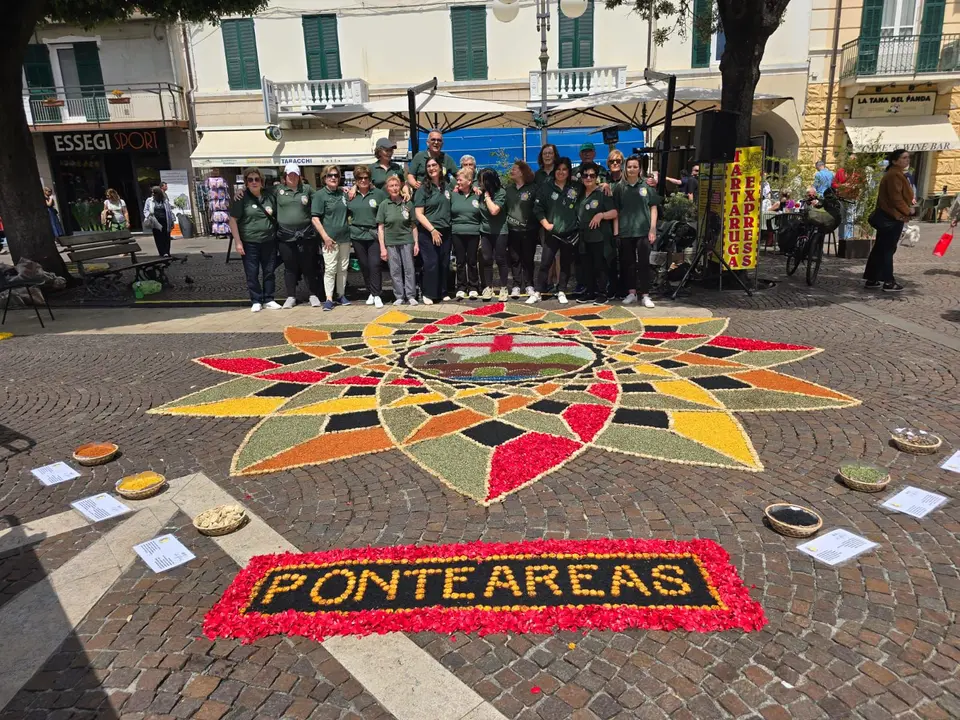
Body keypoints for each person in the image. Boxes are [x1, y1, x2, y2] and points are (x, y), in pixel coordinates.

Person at [229, 167, 279, 311]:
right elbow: (232, 220)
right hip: (249, 242)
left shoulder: (269, 196)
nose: (254, 182)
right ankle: (256, 300)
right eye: (250, 180)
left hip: (269, 240)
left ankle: (269, 298)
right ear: (246, 182)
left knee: (269, 271)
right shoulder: (241, 198)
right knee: (252, 272)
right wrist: (238, 242)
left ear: (262, 181)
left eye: (257, 179)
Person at [531, 157, 579, 305]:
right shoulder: (546, 187)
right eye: (558, 169)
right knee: (545, 263)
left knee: (565, 264)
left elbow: (591, 189)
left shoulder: (576, 187)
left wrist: (604, 185)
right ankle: (538, 292)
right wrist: (546, 224)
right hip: (552, 233)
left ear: (569, 171)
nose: (561, 172)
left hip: (570, 233)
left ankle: (562, 290)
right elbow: (537, 208)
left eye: (564, 169)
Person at [864, 148, 912, 292]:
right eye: (904, 158)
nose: (907, 160)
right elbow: (895, 198)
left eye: (908, 157)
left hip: (889, 216)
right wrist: (908, 211)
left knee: (880, 248)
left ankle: (872, 278)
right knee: (887, 249)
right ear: (895, 161)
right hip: (892, 217)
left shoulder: (895, 174)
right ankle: (888, 281)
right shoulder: (894, 175)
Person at [615, 155, 659, 308]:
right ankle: (632, 293)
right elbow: (616, 210)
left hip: (643, 231)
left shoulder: (647, 186)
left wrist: (652, 228)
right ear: (625, 168)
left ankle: (645, 295)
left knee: (644, 263)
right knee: (628, 264)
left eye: (635, 167)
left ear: (639, 169)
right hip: (626, 231)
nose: (632, 169)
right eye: (629, 167)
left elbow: (653, 207)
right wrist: (617, 232)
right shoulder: (620, 187)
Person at [275, 163, 321, 309]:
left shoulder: (306, 189)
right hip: (286, 236)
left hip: (305, 234)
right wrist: (242, 191)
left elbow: (321, 197)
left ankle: (313, 294)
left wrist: (345, 189)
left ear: (299, 176)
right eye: (290, 175)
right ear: (285, 176)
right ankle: (291, 296)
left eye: (295, 174)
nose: (293, 177)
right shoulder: (277, 190)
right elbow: (258, 193)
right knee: (290, 266)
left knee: (309, 265)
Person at [575, 162, 618, 304]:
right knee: (587, 266)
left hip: (599, 236)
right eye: (585, 175)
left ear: (596, 177)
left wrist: (601, 215)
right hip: (584, 236)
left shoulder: (602, 193)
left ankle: (602, 293)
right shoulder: (579, 193)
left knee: (600, 266)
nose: (588, 178)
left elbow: (614, 212)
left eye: (592, 175)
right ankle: (590, 292)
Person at [312, 165, 352, 311]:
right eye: (330, 175)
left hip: (344, 238)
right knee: (330, 269)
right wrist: (325, 237)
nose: (333, 178)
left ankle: (341, 294)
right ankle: (329, 298)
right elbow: (315, 218)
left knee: (343, 268)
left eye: (336, 175)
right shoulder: (320, 195)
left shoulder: (342, 194)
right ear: (324, 178)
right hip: (330, 239)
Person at [414, 157, 453, 304]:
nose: (431, 168)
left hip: (446, 231)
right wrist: (432, 230)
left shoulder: (447, 186)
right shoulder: (423, 189)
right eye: (429, 166)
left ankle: (442, 292)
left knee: (444, 262)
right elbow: (419, 214)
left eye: (434, 165)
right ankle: (428, 293)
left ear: (440, 167)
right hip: (428, 232)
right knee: (431, 263)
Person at [348, 165, 387, 308]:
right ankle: (371, 291)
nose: (363, 180)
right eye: (360, 178)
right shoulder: (350, 195)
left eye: (366, 178)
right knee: (364, 265)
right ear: (356, 180)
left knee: (374, 264)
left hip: (373, 234)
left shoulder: (378, 194)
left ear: (370, 179)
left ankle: (377, 294)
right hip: (357, 235)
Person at [378, 174, 419, 305]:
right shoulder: (384, 205)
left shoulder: (408, 203)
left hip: (407, 240)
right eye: (391, 186)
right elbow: (380, 228)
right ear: (387, 188)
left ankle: (411, 295)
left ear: (400, 186)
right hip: (391, 242)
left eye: (396, 185)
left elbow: (413, 225)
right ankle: (399, 296)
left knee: (409, 268)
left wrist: (416, 243)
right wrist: (382, 247)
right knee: (395, 270)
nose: (394, 188)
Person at [505, 161, 538, 299]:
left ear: (522, 172)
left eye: (515, 169)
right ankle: (516, 285)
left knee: (528, 258)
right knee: (514, 258)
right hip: (512, 230)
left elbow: (538, 208)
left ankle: (529, 284)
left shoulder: (533, 188)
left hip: (529, 230)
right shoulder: (508, 189)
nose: (511, 171)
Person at [450, 167, 482, 299]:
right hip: (457, 232)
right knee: (460, 261)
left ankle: (474, 286)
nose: (458, 182)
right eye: (457, 180)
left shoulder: (478, 194)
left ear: (469, 181)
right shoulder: (453, 195)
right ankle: (461, 287)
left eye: (460, 180)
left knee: (472, 260)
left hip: (473, 232)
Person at [478, 168, 509, 300]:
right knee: (487, 259)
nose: (479, 183)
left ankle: (503, 287)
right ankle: (488, 287)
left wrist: (487, 197)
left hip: (500, 231)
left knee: (500, 259)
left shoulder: (501, 192)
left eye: (481, 181)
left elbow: (494, 210)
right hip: (485, 231)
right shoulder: (480, 193)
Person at [143, 186, 174, 258]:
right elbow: (145, 210)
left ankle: (167, 252)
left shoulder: (165, 200)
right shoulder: (149, 200)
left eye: (155, 193)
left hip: (165, 220)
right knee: (158, 237)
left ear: (159, 193)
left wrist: (172, 220)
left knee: (166, 236)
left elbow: (169, 211)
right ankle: (162, 252)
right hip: (155, 221)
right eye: (152, 193)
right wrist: (149, 215)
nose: (153, 194)